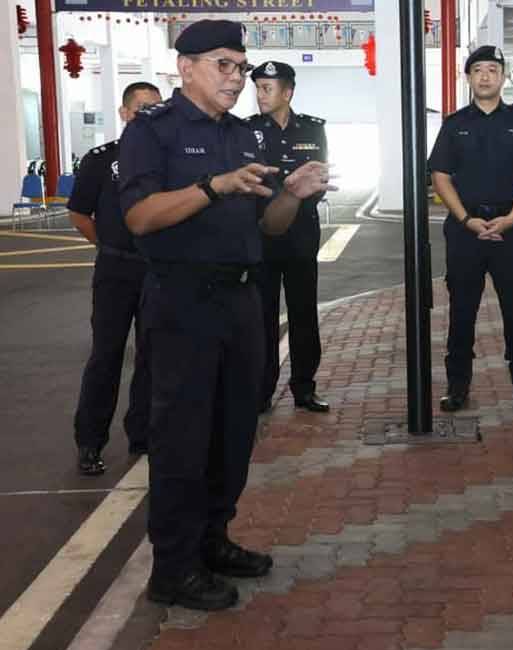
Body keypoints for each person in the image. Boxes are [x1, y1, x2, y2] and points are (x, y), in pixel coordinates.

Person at [118, 19, 333, 611]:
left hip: (243, 301)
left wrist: (293, 193)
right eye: (224, 65)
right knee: (182, 437)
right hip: (184, 300)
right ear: (185, 68)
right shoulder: (153, 132)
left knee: (234, 432)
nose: (237, 78)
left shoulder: (245, 136)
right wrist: (213, 186)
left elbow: (267, 228)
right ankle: (173, 567)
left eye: (241, 66)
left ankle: (213, 541)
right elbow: (140, 217)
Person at [428, 45, 513, 413]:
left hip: (511, 229)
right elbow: (440, 176)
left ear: (502, 77)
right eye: (478, 69)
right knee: (461, 311)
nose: (485, 76)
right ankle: (458, 387)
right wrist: (467, 219)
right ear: (468, 77)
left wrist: (512, 217)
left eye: (492, 70)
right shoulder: (454, 126)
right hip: (465, 230)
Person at [69, 81, 162, 476]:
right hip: (115, 271)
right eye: (141, 108)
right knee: (106, 356)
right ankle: (90, 442)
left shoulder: (168, 160)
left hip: (157, 271)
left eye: (155, 109)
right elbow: (79, 214)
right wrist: (107, 246)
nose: (147, 115)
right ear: (124, 113)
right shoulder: (101, 159)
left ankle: (142, 434)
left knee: (153, 356)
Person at [247, 61, 330, 414]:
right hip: (260, 235)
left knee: (303, 313)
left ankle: (304, 388)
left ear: (287, 92)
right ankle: (261, 390)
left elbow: (319, 178)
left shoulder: (313, 129)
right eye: (258, 88)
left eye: (268, 88)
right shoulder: (246, 131)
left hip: (301, 234)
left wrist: (296, 191)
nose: (260, 95)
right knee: (261, 315)